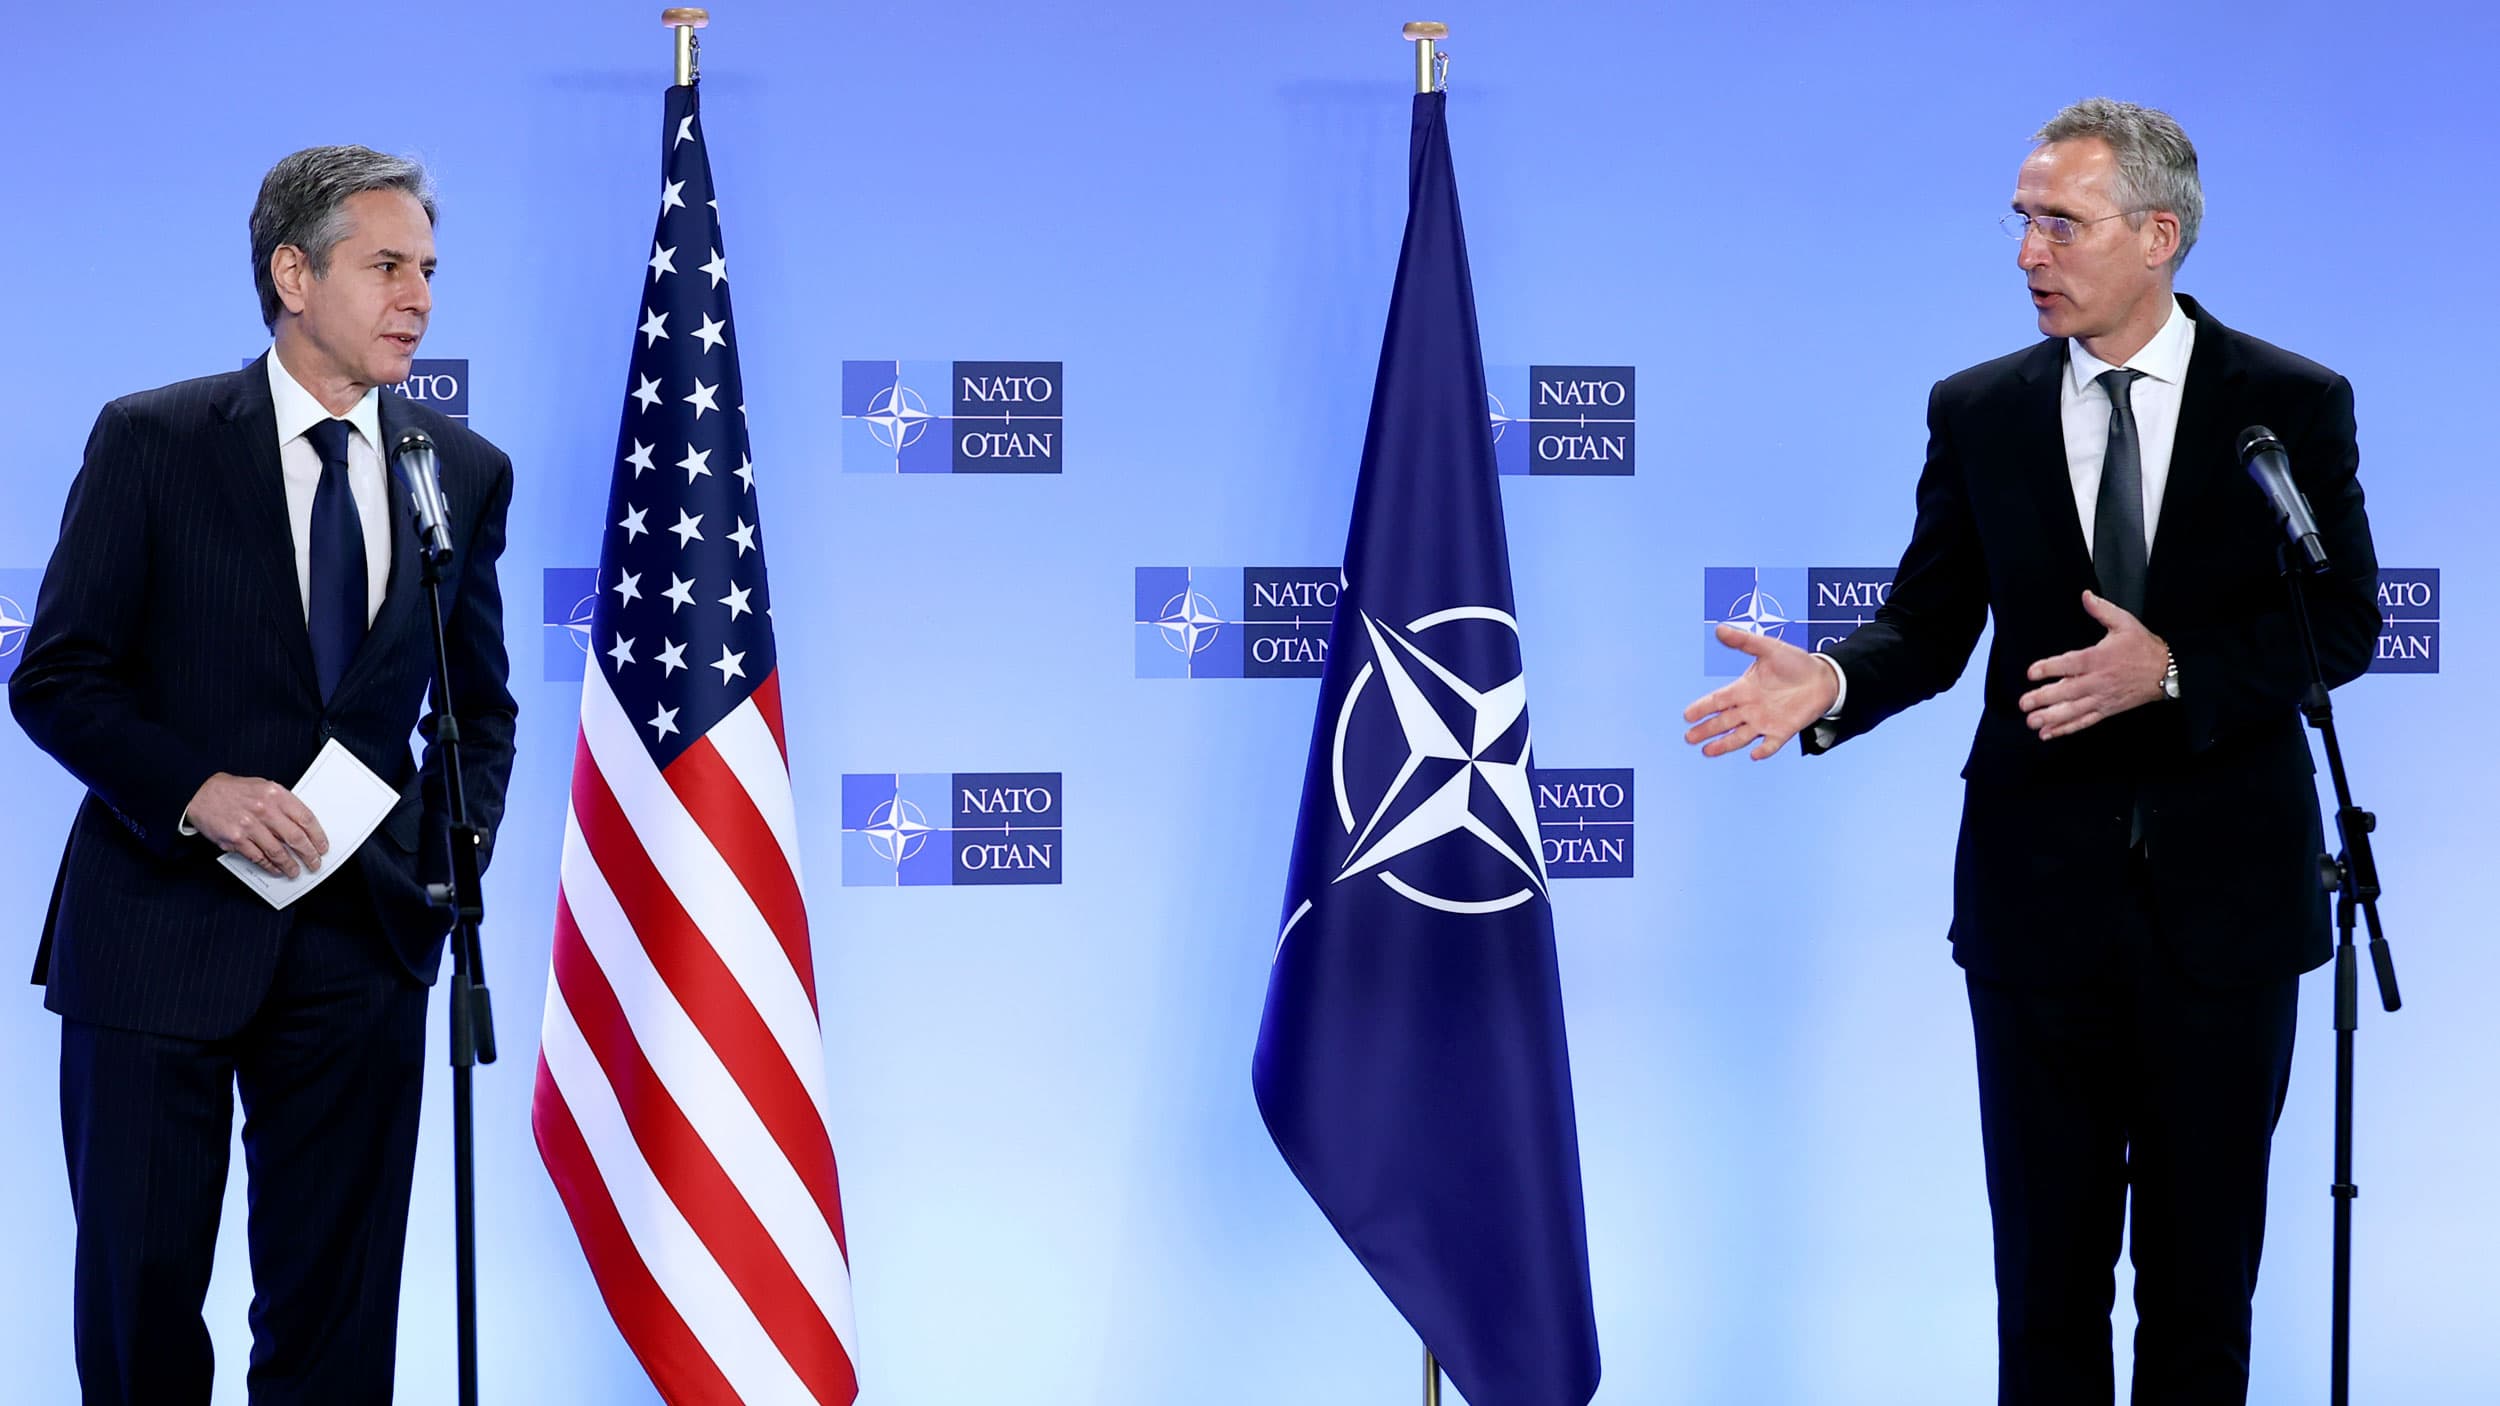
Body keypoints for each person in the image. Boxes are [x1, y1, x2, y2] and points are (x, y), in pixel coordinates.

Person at [1681, 98, 2381, 1403]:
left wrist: (2169, 668)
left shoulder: (2285, 403)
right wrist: (1832, 678)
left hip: (2226, 906)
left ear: (2157, 234)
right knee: (2045, 1297)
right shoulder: (1978, 410)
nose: (2027, 253)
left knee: (2200, 1296)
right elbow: (1929, 622)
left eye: (2061, 223)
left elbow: (2342, 619)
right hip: (2036, 907)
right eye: (2021, 222)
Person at [11, 145, 518, 1404]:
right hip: (156, 933)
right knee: (138, 1304)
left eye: (429, 270)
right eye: (386, 265)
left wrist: (434, 875)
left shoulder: (458, 470)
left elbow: (478, 708)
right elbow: (58, 675)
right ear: (294, 275)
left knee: (337, 1317)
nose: (419, 298)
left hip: (362, 948)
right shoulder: (154, 439)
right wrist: (198, 792)